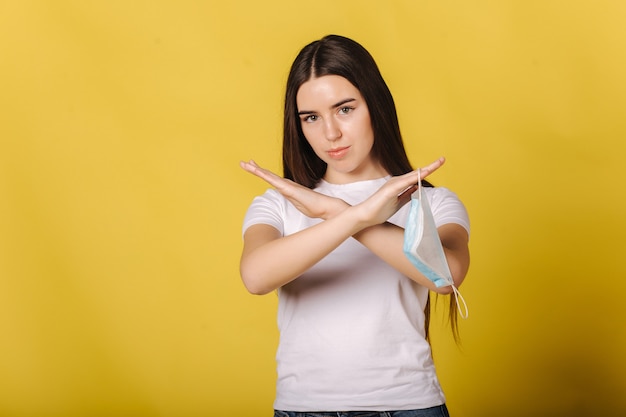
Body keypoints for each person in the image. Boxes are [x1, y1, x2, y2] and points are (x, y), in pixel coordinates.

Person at [239, 34, 470, 417]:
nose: (330, 133)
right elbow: (255, 277)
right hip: (304, 409)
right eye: (311, 117)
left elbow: (445, 278)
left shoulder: (431, 202)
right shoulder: (280, 205)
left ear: (375, 105)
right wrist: (354, 215)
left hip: (408, 407)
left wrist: (336, 212)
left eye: (344, 109)